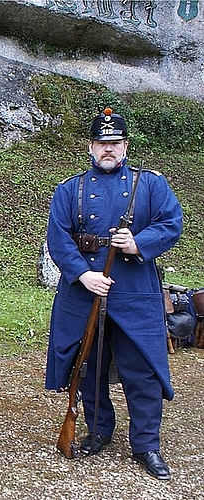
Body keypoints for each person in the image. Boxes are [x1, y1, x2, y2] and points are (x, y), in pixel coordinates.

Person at [45, 108, 183, 480]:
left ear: (125, 146)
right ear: (91, 146)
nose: (109, 149)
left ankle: (146, 446)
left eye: (115, 143)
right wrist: (83, 275)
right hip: (85, 291)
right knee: (87, 366)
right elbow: (58, 239)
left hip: (134, 290)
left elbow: (171, 223)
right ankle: (99, 430)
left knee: (143, 370)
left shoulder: (150, 185)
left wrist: (138, 243)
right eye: (102, 143)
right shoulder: (69, 189)